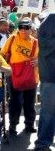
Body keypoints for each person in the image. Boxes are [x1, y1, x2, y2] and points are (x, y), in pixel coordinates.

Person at [0, 17, 39, 135]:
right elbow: (2, 54)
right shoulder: (12, 39)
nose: (23, 30)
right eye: (21, 27)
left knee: (29, 101)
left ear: (31, 29)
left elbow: (43, 57)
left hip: (31, 75)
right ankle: (13, 125)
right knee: (15, 101)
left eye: (26, 27)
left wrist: (38, 61)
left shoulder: (35, 42)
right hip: (14, 74)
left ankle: (29, 124)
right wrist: (5, 67)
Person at [34, 13, 55, 151]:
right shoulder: (52, 19)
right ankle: (42, 144)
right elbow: (44, 42)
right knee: (49, 111)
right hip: (51, 76)